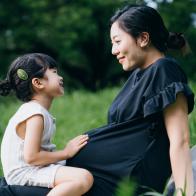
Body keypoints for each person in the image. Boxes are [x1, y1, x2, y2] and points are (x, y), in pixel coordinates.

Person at [0, 4, 195, 196]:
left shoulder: (164, 70)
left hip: (116, 181)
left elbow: (180, 140)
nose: (113, 50)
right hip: (89, 175)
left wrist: (184, 192)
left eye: (117, 41)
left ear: (143, 38)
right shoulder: (138, 75)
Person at [0, 53, 93, 196]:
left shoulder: (37, 111)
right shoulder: (35, 114)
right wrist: (65, 152)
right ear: (38, 83)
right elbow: (32, 157)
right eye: (54, 72)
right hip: (23, 172)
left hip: (31, 167)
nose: (60, 77)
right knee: (83, 177)